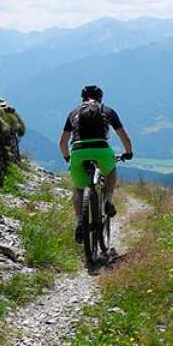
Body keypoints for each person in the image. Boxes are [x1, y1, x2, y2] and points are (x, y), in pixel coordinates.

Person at [59, 85, 133, 239]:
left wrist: (68, 158)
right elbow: (123, 136)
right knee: (111, 170)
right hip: (101, 148)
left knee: (78, 190)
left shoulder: (73, 113)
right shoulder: (108, 111)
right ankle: (108, 200)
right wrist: (128, 152)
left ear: (82, 99)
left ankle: (80, 222)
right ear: (101, 98)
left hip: (78, 150)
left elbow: (63, 142)